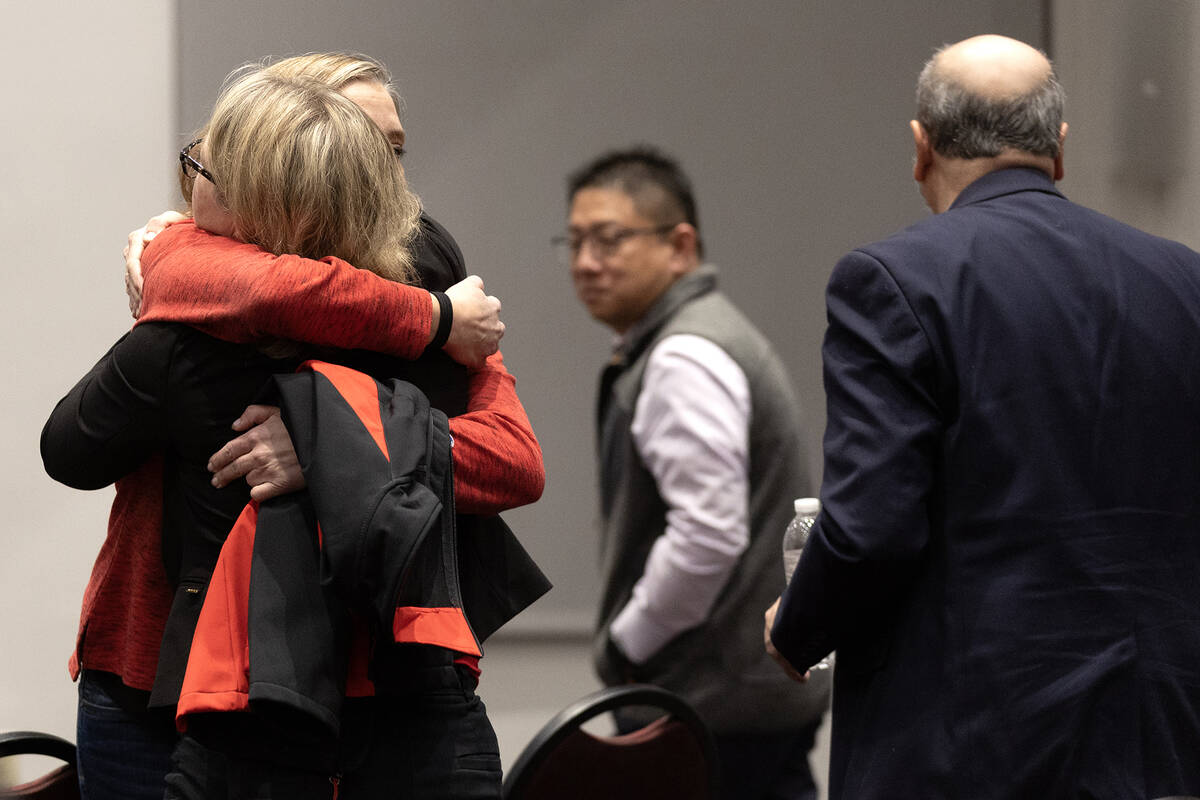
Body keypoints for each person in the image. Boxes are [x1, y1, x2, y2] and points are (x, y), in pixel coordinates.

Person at [44, 65, 545, 800]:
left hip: (330, 688)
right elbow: (248, 284)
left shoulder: (432, 297)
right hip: (170, 655)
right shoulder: (420, 314)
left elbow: (514, 464)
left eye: (389, 151)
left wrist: (333, 442)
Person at [766, 34, 1200, 799]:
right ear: (1058, 150)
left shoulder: (894, 281)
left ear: (920, 145)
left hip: (970, 746)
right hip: (1160, 737)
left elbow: (871, 530)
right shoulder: (1183, 281)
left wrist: (797, 628)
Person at [563, 146, 830, 799]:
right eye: (573, 242)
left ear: (680, 245)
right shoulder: (697, 335)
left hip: (712, 707)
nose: (585, 263)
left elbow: (706, 535)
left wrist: (627, 642)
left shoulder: (684, 352)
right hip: (742, 700)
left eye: (609, 239)